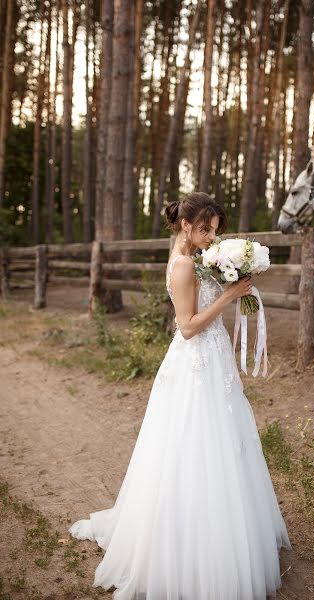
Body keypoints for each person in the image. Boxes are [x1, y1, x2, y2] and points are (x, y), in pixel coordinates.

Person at [68, 192, 292, 600]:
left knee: (225, 446)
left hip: (215, 359)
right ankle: (185, 542)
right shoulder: (184, 263)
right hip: (194, 364)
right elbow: (187, 327)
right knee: (191, 447)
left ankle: (227, 531)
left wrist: (231, 282)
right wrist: (227, 296)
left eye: (215, 230)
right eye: (205, 229)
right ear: (185, 225)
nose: (211, 236)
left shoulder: (201, 258)